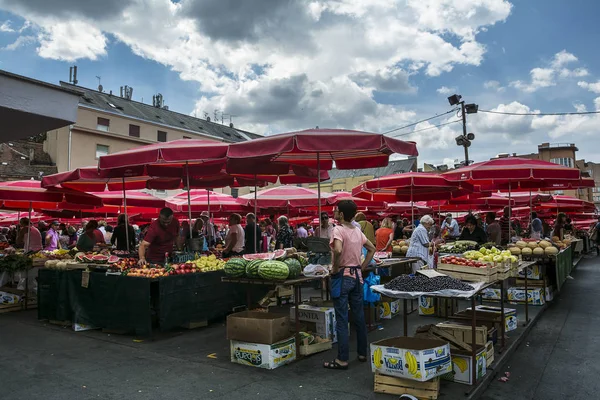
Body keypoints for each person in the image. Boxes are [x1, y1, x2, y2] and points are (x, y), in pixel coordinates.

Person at [323, 200, 375, 371]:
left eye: (336, 210)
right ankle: (362, 353)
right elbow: (372, 248)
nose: (334, 212)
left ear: (342, 214)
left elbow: (337, 250)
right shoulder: (358, 231)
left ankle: (342, 359)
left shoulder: (338, 229)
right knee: (359, 317)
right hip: (357, 276)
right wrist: (363, 266)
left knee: (342, 318)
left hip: (342, 275)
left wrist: (336, 267)